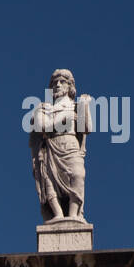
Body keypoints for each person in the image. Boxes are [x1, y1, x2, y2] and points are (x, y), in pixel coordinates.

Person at [30, 68, 93, 222]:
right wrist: (64, 117)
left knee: (78, 175)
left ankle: (73, 215)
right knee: (49, 181)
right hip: (52, 146)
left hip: (71, 145)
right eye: (54, 82)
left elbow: (86, 128)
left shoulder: (76, 106)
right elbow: (41, 127)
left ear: (69, 86)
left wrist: (84, 106)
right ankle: (57, 215)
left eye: (62, 81)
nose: (57, 85)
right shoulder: (43, 108)